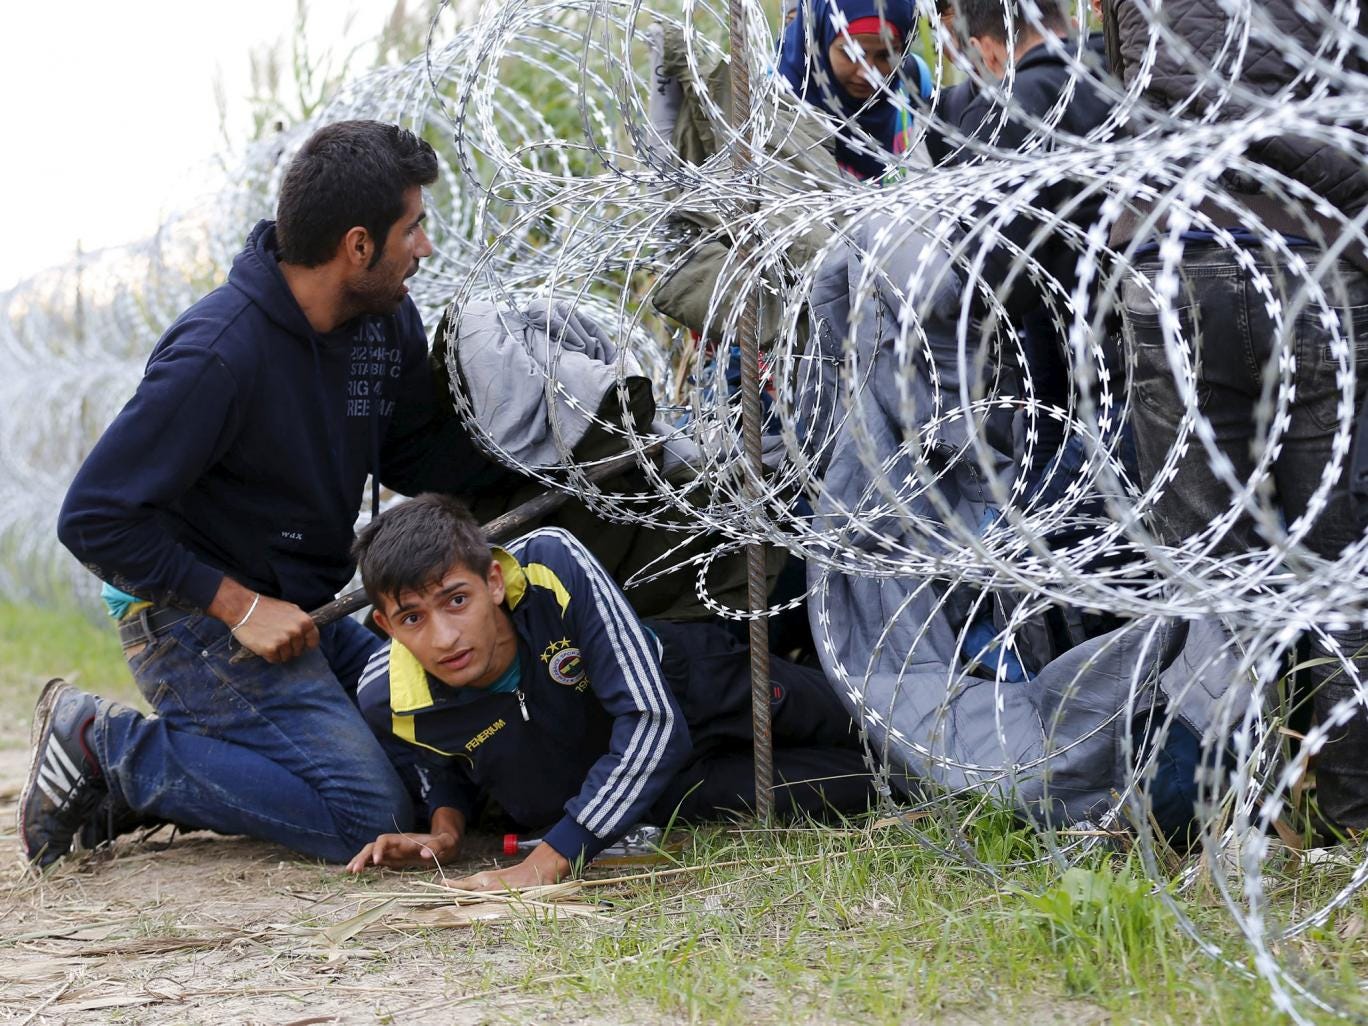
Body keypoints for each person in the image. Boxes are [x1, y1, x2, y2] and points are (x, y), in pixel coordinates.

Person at [19, 120, 509, 869]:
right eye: (413, 228)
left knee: (430, 759)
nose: (425, 248)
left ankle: (142, 787)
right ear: (357, 246)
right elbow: (93, 518)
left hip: (306, 609)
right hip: (190, 620)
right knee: (365, 815)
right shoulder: (221, 353)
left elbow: (417, 451)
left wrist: (551, 473)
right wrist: (240, 608)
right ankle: (110, 750)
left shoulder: (383, 324)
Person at [1102, 1, 1368, 838]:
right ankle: (1351, 812)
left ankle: (1230, 810)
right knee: (1340, 571)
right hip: (1320, 261)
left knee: (1211, 575)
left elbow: (1146, 89)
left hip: (1175, 258)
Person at [344, 493, 875, 889]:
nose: (444, 637)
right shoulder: (384, 696)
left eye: (456, 600)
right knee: (876, 784)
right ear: (387, 628)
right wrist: (444, 832)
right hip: (667, 790)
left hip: (706, 691)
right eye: (412, 617)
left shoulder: (548, 564)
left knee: (878, 720)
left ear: (491, 582)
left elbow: (653, 720)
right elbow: (444, 764)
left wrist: (546, 862)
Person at [778, 0, 930, 180]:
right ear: (819, 37)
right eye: (851, 53)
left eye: (886, 55)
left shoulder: (914, 82)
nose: (867, 73)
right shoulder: (780, 99)